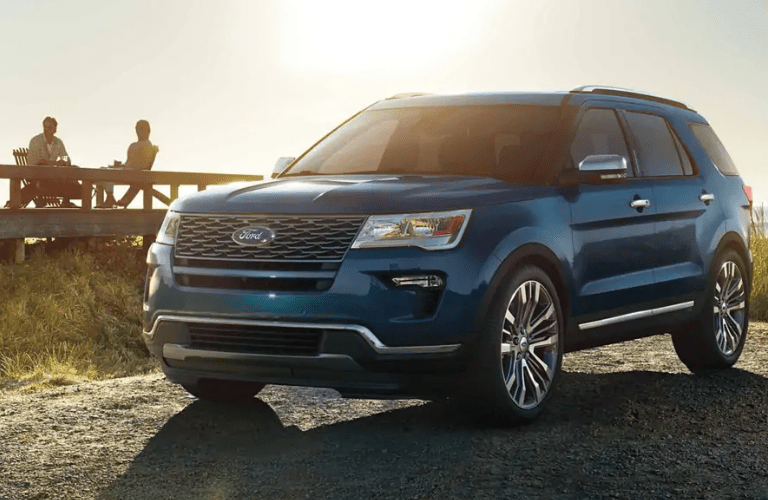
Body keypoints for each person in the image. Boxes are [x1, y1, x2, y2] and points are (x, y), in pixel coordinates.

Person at [100, 120, 157, 208]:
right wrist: (119, 166)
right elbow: (128, 162)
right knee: (101, 170)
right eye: (137, 129)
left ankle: (110, 198)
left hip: (135, 174)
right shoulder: (133, 145)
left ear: (148, 130)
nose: (139, 131)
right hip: (127, 171)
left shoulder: (147, 145)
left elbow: (144, 166)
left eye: (142, 129)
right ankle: (109, 197)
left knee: (105, 173)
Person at [27, 116, 81, 208]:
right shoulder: (35, 141)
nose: (46, 129)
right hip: (37, 176)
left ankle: (67, 201)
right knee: (66, 179)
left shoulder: (58, 142)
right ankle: (67, 201)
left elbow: (65, 157)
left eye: (49, 127)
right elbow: (38, 162)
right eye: (45, 126)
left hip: (52, 176)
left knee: (72, 171)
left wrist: (64, 162)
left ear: (55, 129)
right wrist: (56, 163)